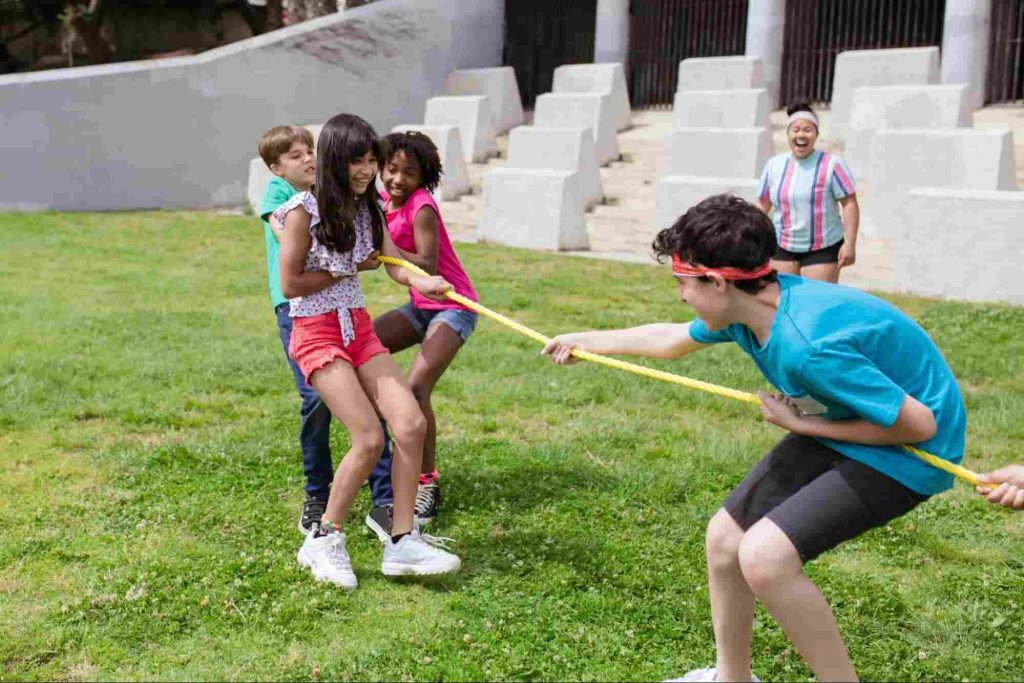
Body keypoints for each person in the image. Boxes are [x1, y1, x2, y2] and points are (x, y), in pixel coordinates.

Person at [542, 194, 966, 682]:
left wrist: (805, 425)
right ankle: (732, 678)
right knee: (726, 539)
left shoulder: (809, 346)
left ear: (718, 283)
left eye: (683, 283)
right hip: (850, 420)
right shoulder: (750, 310)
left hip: (909, 452)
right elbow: (671, 339)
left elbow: (918, 425)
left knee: (765, 558)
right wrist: (585, 340)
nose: (680, 295)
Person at [274, 113, 461, 589]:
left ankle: (401, 541)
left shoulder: (368, 210)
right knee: (369, 438)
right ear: (337, 158)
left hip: (357, 329)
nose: (367, 169)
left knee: (410, 423)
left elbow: (394, 264)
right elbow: (291, 282)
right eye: (359, 159)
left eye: (371, 159)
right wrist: (342, 271)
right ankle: (323, 538)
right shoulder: (302, 212)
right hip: (316, 333)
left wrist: (427, 282)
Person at [258, 124, 379, 535]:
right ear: (276, 168)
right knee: (315, 400)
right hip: (296, 307)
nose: (308, 158)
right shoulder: (282, 198)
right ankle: (317, 493)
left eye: (309, 150)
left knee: (368, 401)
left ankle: (384, 497)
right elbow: (286, 234)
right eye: (294, 156)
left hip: (341, 308)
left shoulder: (329, 192)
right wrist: (345, 262)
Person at [363, 131, 480, 541]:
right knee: (362, 350)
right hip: (418, 308)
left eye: (408, 173)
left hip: (452, 306)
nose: (397, 179)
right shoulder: (379, 203)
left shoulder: (421, 206)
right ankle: (377, 464)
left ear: (423, 176)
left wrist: (385, 247)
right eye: (391, 170)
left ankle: (426, 483)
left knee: (415, 387)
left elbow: (427, 263)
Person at [756, 103, 859, 283]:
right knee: (786, 304)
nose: (801, 134)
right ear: (788, 134)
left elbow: (849, 204)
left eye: (807, 130)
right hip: (782, 248)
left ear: (816, 134)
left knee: (818, 306)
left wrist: (850, 244)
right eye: (795, 129)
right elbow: (762, 205)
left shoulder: (832, 164)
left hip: (823, 248)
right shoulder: (774, 165)